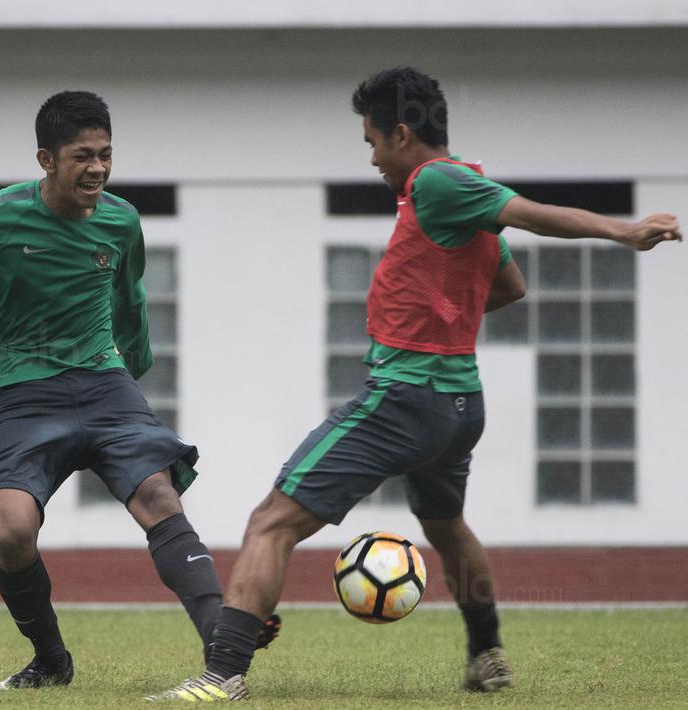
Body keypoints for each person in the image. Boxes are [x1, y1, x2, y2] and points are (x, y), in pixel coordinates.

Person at [147, 66, 681, 702]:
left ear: (401, 134)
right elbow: (511, 287)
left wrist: (623, 231)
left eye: (371, 141)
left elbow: (533, 213)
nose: (371, 157)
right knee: (448, 527)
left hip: (404, 397)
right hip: (458, 403)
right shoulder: (461, 195)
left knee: (271, 522)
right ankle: (487, 656)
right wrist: (441, 304)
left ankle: (221, 674)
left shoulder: (438, 180)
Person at [0, 90, 235, 690]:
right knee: (11, 530)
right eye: (81, 156)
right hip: (26, 397)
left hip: (105, 386)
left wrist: (135, 372)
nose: (96, 169)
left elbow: (131, 299)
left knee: (158, 495)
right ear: (46, 160)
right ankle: (50, 659)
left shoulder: (122, 221)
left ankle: (226, 651)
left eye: (105, 155)